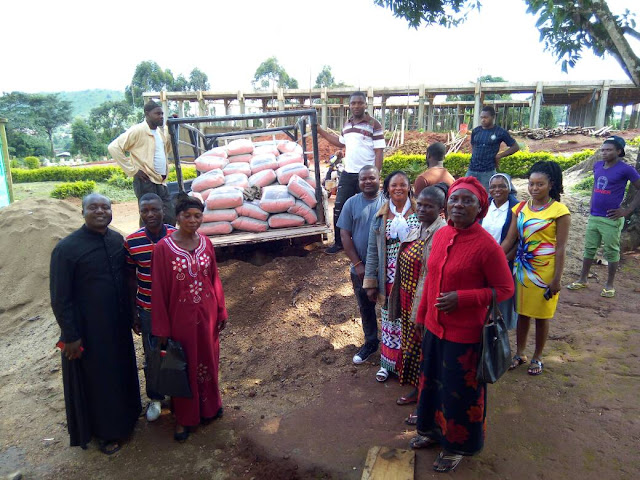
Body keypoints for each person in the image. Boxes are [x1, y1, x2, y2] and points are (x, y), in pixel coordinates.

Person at [409, 177, 514, 473]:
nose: (459, 205)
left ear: (480, 208)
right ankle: (432, 431)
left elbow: (505, 289)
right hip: (433, 328)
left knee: (459, 393)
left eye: (467, 201)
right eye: (454, 199)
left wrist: (464, 298)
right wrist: (421, 316)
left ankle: (456, 446)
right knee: (431, 383)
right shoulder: (442, 234)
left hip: (465, 335)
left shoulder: (487, 246)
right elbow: (430, 278)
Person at [50, 194, 141, 454]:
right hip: (89, 330)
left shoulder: (117, 240)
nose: (100, 211)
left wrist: (133, 315)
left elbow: (127, 281)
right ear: (82, 211)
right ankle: (106, 432)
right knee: (99, 379)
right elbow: (60, 297)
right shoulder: (66, 249)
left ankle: (129, 416)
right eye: (93, 207)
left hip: (117, 324)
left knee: (122, 370)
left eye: (105, 207)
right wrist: (71, 335)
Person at [151, 194, 228, 442]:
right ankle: (184, 418)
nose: (193, 220)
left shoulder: (206, 243)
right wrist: (161, 329)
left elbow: (214, 278)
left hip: (207, 317)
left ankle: (210, 407)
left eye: (197, 216)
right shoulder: (163, 248)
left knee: (208, 361)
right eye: (187, 216)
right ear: (177, 217)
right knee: (184, 366)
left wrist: (221, 310)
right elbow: (159, 290)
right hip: (179, 320)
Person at [501, 161, 570, 376]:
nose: (534, 188)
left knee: (541, 316)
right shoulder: (520, 208)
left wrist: (557, 279)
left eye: (540, 184)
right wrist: (494, 259)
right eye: (531, 183)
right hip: (522, 270)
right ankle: (520, 353)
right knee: (522, 314)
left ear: (551, 184)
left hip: (545, 272)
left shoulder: (560, 211)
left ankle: (537, 357)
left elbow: (561, 248)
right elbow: (510, 239)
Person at [386, 185, 447, 424]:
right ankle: (417, 389)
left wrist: (423, 307)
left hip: (425, 303)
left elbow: (433, 275)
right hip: (408, 299)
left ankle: (427, 402)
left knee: (427, 352)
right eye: (419, 204)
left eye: (428, 206)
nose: (421, 209)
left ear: (441, 209)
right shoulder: (418, 228)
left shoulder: (441, 233)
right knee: (413, 348)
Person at [363, 171, 420, 383]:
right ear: (387, 188)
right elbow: (372, 250)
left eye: (402, 184)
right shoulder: (380, 216)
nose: (398, 188)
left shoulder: (420, 211)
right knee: (390, 321)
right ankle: (388, 364)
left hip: (414, 277)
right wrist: (370, 282)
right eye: (394, 185)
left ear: (409, 187)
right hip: (388, 277)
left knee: (412, 321)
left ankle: (410, 366)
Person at [124, 193, 177, 421]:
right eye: (144, 210)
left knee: (177, 351)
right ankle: (155, 398)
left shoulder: (177, 236)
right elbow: (130, 279)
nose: (150, 214)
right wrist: (133, 312)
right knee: (153, 354)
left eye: (154, 209)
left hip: (176, 309)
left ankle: (177, 394)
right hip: (148, 309)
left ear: (163, 210)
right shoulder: (132, 242)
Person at [567, 136, 640, 297]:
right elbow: (595, 184)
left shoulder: (626, 169)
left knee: (611, 251)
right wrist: (592, 202)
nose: (604, 153)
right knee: (589, 248)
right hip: (594, 216)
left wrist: (627, 210)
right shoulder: (598, 165)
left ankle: (609, 285)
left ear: (619, 151)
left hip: (611, 218)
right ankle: (583, 279)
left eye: (609, 150)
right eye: (603, 150)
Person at [317, 91, 385, 254]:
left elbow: (379, 151)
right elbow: (340, 142)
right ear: (349, 105)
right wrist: (320, 131)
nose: (356, 106)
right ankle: (339, 242)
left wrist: (376, 174)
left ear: (365, 104)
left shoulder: (374, 124)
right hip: (348, 173)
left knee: (368, 209)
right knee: (339, 207)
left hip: (366, 175)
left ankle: (368, 242)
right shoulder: (347, 125)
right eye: (353, 103)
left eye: (360, 103)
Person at [337, 165, 385, 364]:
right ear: (358, 182)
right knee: (366, 307)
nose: (367, 182)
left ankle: (393, 346)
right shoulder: (351, 203)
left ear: (379, 179)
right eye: (363, 179)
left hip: (387, 267)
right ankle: (371, 342)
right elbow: (344, 235)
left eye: (371, 178)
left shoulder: (388, 201)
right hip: (361, 268)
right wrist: (357, 264)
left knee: (390, 307)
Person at [108, 101, 175, 225]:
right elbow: (113, 147)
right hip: (146, 181)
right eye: (157, 114)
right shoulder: (138, 130)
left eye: (162, 114)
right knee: (150, 217)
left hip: (160, 181)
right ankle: (145, 238)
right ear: (147, 114)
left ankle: (166, 238)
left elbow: (167, 150)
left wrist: (169, 128)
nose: (161, 116)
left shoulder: (159, 132)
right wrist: (133, 170)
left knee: (169, 216)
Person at [480, 173, 519, 330]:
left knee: (500, 300)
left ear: (509, 188)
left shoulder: (516, 208)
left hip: (504, 259)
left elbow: (512, 239)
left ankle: (501, 335)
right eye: (493, 187)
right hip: (481, 259)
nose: (497, 190)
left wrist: (496, 260)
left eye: (502, 186)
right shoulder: (485, 205)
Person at [467, 106, 519, 191]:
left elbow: (515, 147)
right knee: (468, 192)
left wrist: (499, 155)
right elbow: (473, 146)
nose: (483, 120)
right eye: (481, 117)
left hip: (488, 171)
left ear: (493, 117)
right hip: (472, 169)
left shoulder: (500, 132)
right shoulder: (476, 131)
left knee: (488, 194)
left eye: (486, 117)